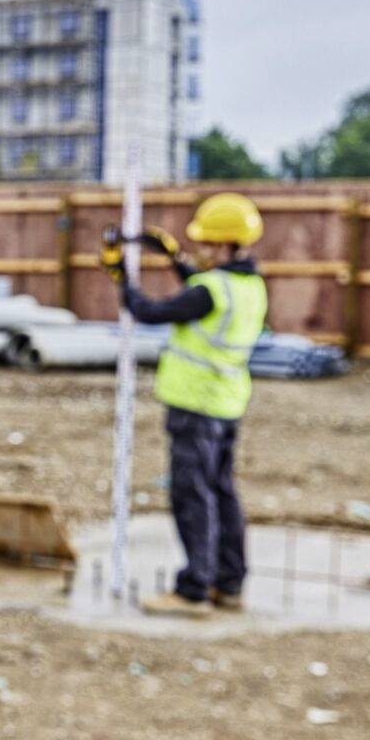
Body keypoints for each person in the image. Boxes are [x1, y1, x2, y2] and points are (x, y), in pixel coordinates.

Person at [104, 192, 269, 616]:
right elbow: (200, 290)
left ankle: (194, 589)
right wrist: (173, 259)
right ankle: (229, 583)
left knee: (192, 496)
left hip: (195, 406)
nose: (201, 252)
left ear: (226, 245)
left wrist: (121, 275)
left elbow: (148, 310)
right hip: (226, 402)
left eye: (207, 245)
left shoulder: (211, 290)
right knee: (221, 492)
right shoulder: (248, 286)